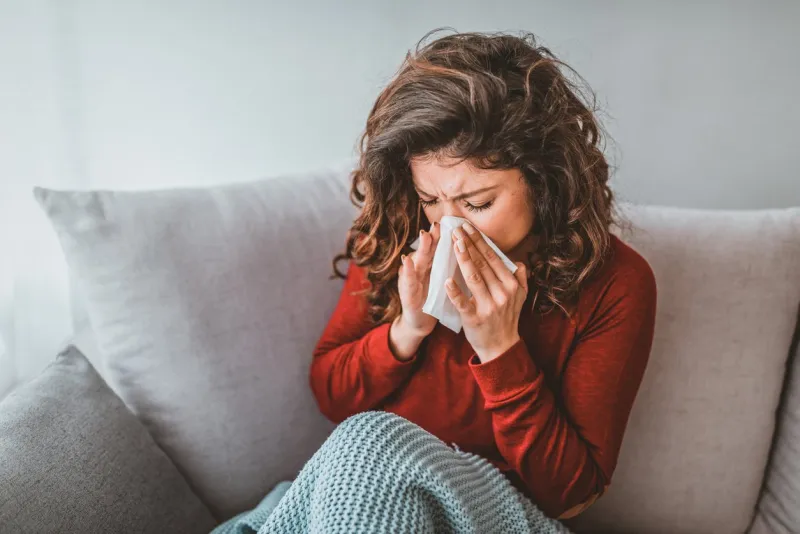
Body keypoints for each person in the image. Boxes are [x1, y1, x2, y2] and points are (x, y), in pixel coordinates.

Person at [309, 29, 657, 520]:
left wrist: (500, 349)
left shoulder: (615, 283)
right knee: (362, 444)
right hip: (367, 490)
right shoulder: (401, 235)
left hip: (497, 514)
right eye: (431, 199)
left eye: (477, 203)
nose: (448, 223)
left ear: (545, 181)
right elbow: (330, 395)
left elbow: (573, 495)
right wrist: (407, 331)